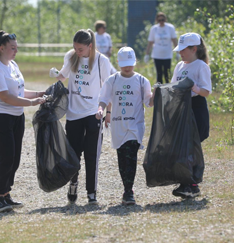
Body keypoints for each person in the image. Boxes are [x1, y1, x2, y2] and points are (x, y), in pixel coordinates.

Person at [0, 30, 46, 213]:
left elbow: (19, 92)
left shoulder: (12, 65)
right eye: (12, 48)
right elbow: (6, 97)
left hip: (16, 116)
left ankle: (6, 194)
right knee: (6, 157)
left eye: (17, 48)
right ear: (1, 48)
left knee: (14, 159)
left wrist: (39, 94)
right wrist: (32, 103)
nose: (16, 51)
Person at [54, 29, 111, 205]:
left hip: (94, 113)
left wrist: (108, 112)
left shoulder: (102, 61)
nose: (77, 52)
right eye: (75, 48)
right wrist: (55, 76)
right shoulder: (71, 56)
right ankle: (73, 183)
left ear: (90, 46)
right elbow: (63, 76)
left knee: (92, 154)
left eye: (80, 49)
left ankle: (92, 192)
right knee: (74, 152)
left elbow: (108, 88)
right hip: (74, 113)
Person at [96, 47, 155, 205]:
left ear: (135, 62)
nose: (127, 67)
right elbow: (104, 98)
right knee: (122, 157)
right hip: (118, 125)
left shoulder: (142, 81)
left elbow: (149, 102)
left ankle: (129, 191)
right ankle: (126, 187)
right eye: (124, 64)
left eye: (130, 64)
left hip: (135, 126)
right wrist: (101, 109)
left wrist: (157, 94)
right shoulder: (112, 80)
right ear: (118, 63)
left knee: (131, 155)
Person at [170, 32, 212, 198]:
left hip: (196, 108)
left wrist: (194, 88)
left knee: (191, 147)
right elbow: (174, 86)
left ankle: (192, 184)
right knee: (182, 147)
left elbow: (206, 91)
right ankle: (186, 182)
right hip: (182, 108)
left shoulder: (201, 66)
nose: (180, 53)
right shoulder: (179, 66)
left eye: (183, 50)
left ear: (194, 49)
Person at [144, 12, 178, 84]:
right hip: (157, 55)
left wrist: (178, 52)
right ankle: (159, 91)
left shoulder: (170, 28)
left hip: (167, 54)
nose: (161, 22)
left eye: (162, 20)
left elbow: (174, 40)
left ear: (165, 19)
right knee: (159, 74)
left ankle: (168, 90)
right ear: (157, 20)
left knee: (167, 73)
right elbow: (150, 42)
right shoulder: (154, 29)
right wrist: (147, 54)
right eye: (159, 20)